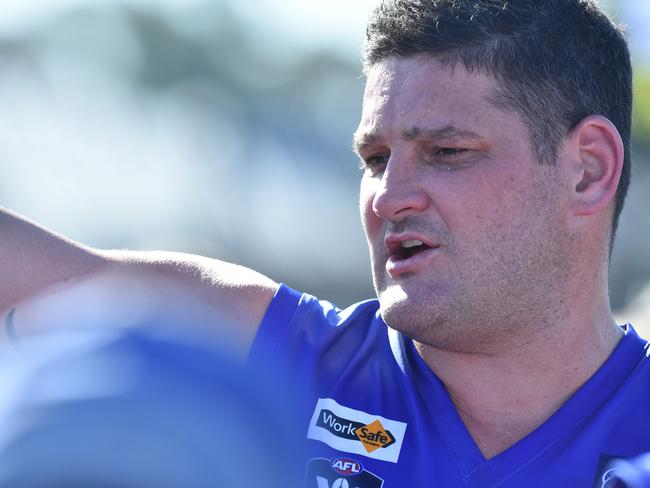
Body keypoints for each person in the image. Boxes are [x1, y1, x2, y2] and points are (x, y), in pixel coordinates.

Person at [0, 0, 648, 486]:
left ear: (587, 169)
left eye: (447, 152)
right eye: (374, 158)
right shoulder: (284, 359)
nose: (388, 197)